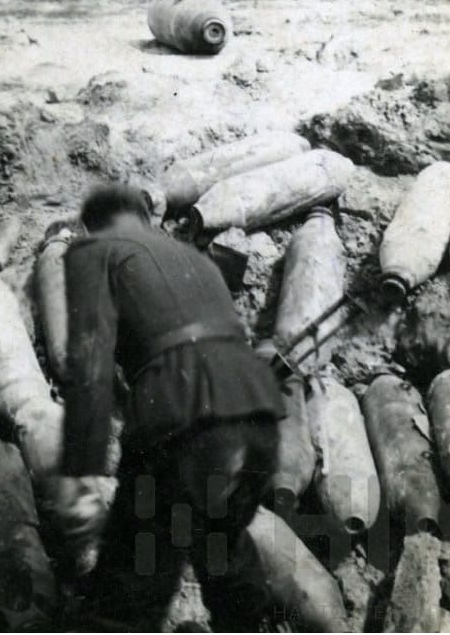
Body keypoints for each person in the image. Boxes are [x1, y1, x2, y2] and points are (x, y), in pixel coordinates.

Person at [56, 184, 285, 632]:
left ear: (91, 225)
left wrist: (80, 475)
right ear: (144, 219)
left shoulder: (94, 251)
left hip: (185, 412)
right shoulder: (196, 259)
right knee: (221, 546)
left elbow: (90, 369)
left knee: (133, 573)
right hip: (258, 412)